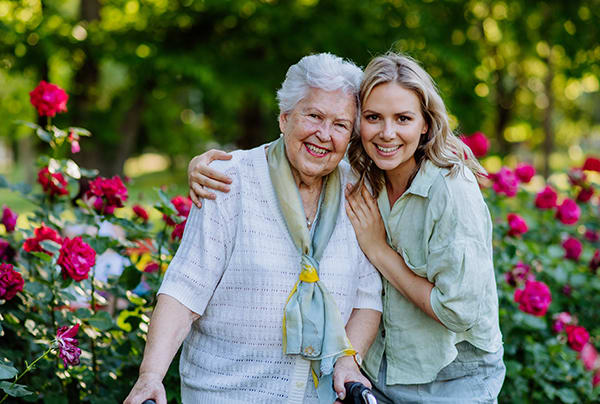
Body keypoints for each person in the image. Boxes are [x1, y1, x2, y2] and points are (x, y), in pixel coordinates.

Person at [188, 52, 505, 403]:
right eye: (373, 117)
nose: (387, 133)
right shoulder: (363, 174)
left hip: (450, 378)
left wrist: (379, 250)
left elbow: (457, 310)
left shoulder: (451, 191)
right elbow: (304, 132)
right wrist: (208, 165)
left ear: (425, 123)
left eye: (403, 118)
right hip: (379, 373)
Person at [124, 53, 382, 404]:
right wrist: (150, 375)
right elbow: (185, 292)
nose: (324, 134)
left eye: (340, 124)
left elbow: (367, 297)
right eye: (314, 116)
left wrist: (350, 361)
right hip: (227, 394)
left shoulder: (358, 193)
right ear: (284, 117)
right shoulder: (229, 181)